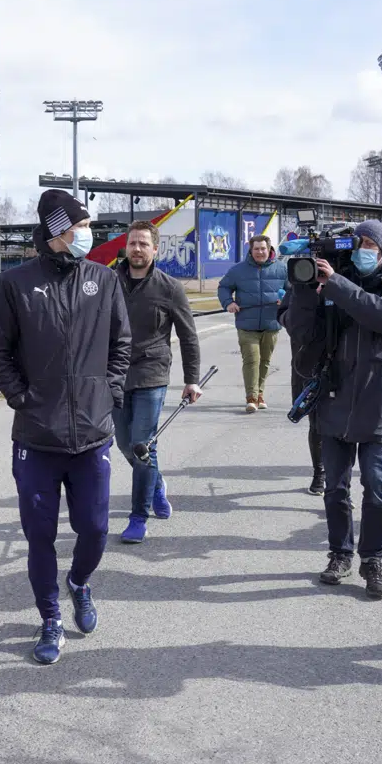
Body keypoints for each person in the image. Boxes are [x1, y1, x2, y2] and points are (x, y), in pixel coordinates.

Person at [0, 189, 131, 665]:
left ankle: (80, 583)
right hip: (36, 438)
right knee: (40, 536)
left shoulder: (104, 280)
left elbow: (121, 343)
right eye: (79, 225)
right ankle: (50, 619)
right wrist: (22, 399)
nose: (87, 233)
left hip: (92, 435)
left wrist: (109, 393)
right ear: (55, 231)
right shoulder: (15, 284)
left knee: (95, 530)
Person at [284, 219, 382, 598]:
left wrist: (337, 285)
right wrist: (305, 289)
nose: (361, 250)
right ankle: (340, 553)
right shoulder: (330, 282)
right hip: (334, 400)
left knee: (376, 488)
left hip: (379, 403)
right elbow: (300, 332)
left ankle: (372, 559)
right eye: (355, 244)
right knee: (335, 489)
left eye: (368, 244)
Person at [112, 220, 204, 544]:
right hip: (116, 375)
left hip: (152, 374)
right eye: (132, 243)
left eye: (143, 244)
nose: (136, 249)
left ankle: (138, 517)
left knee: (141, 446)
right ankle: (158, 484)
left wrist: (192, 379)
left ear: (155, 249)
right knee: (125, 444)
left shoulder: (170, 288)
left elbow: (188, 337)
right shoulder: (110, 282)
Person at [217, 235, 288, 412]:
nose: (259, 252)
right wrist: (228, 303)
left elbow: (292, 289)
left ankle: (260, 394)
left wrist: (286, 301)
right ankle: (251, 397)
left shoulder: (282, 269)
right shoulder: (238, 270)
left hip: (271, 323)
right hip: (246, 324)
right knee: (251, 360)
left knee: (264, 361)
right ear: (251, 250)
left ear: (269, 249)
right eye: (256, 249)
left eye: (263, 248)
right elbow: (223, 287)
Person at [280, 289, 325, 495]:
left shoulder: (348, 280)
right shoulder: (303, 281)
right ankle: (320, 473)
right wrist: (306, 297)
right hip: (308, 368)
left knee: (344, 425)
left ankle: (341, 482)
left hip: (346, 365)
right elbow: (285, 317)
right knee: (316, 423)